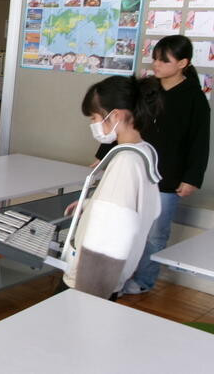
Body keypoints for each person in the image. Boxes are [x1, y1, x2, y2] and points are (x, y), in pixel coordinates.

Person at [95, 35, 210, 295]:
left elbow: (199, 141)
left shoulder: (194, 98)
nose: (156, 64)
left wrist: (192, 178)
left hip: (167, 178)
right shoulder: (146, 90)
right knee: (123, 226)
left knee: (155, 234)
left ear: (183, 63)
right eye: (155, 58)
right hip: (133, 170)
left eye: (163, 60)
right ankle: (114, 277)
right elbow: (122, 122)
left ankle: (144, 280)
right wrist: (103, 154)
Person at [61, 75, 163, 300]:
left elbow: (112, 231)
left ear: (115, 115)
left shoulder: (125, 162)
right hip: (114, 276)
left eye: (95, 117)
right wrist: (92, 205)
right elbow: (138, 209)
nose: (93, 124)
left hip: (90, 281)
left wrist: (90, 290)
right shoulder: (143, 151)